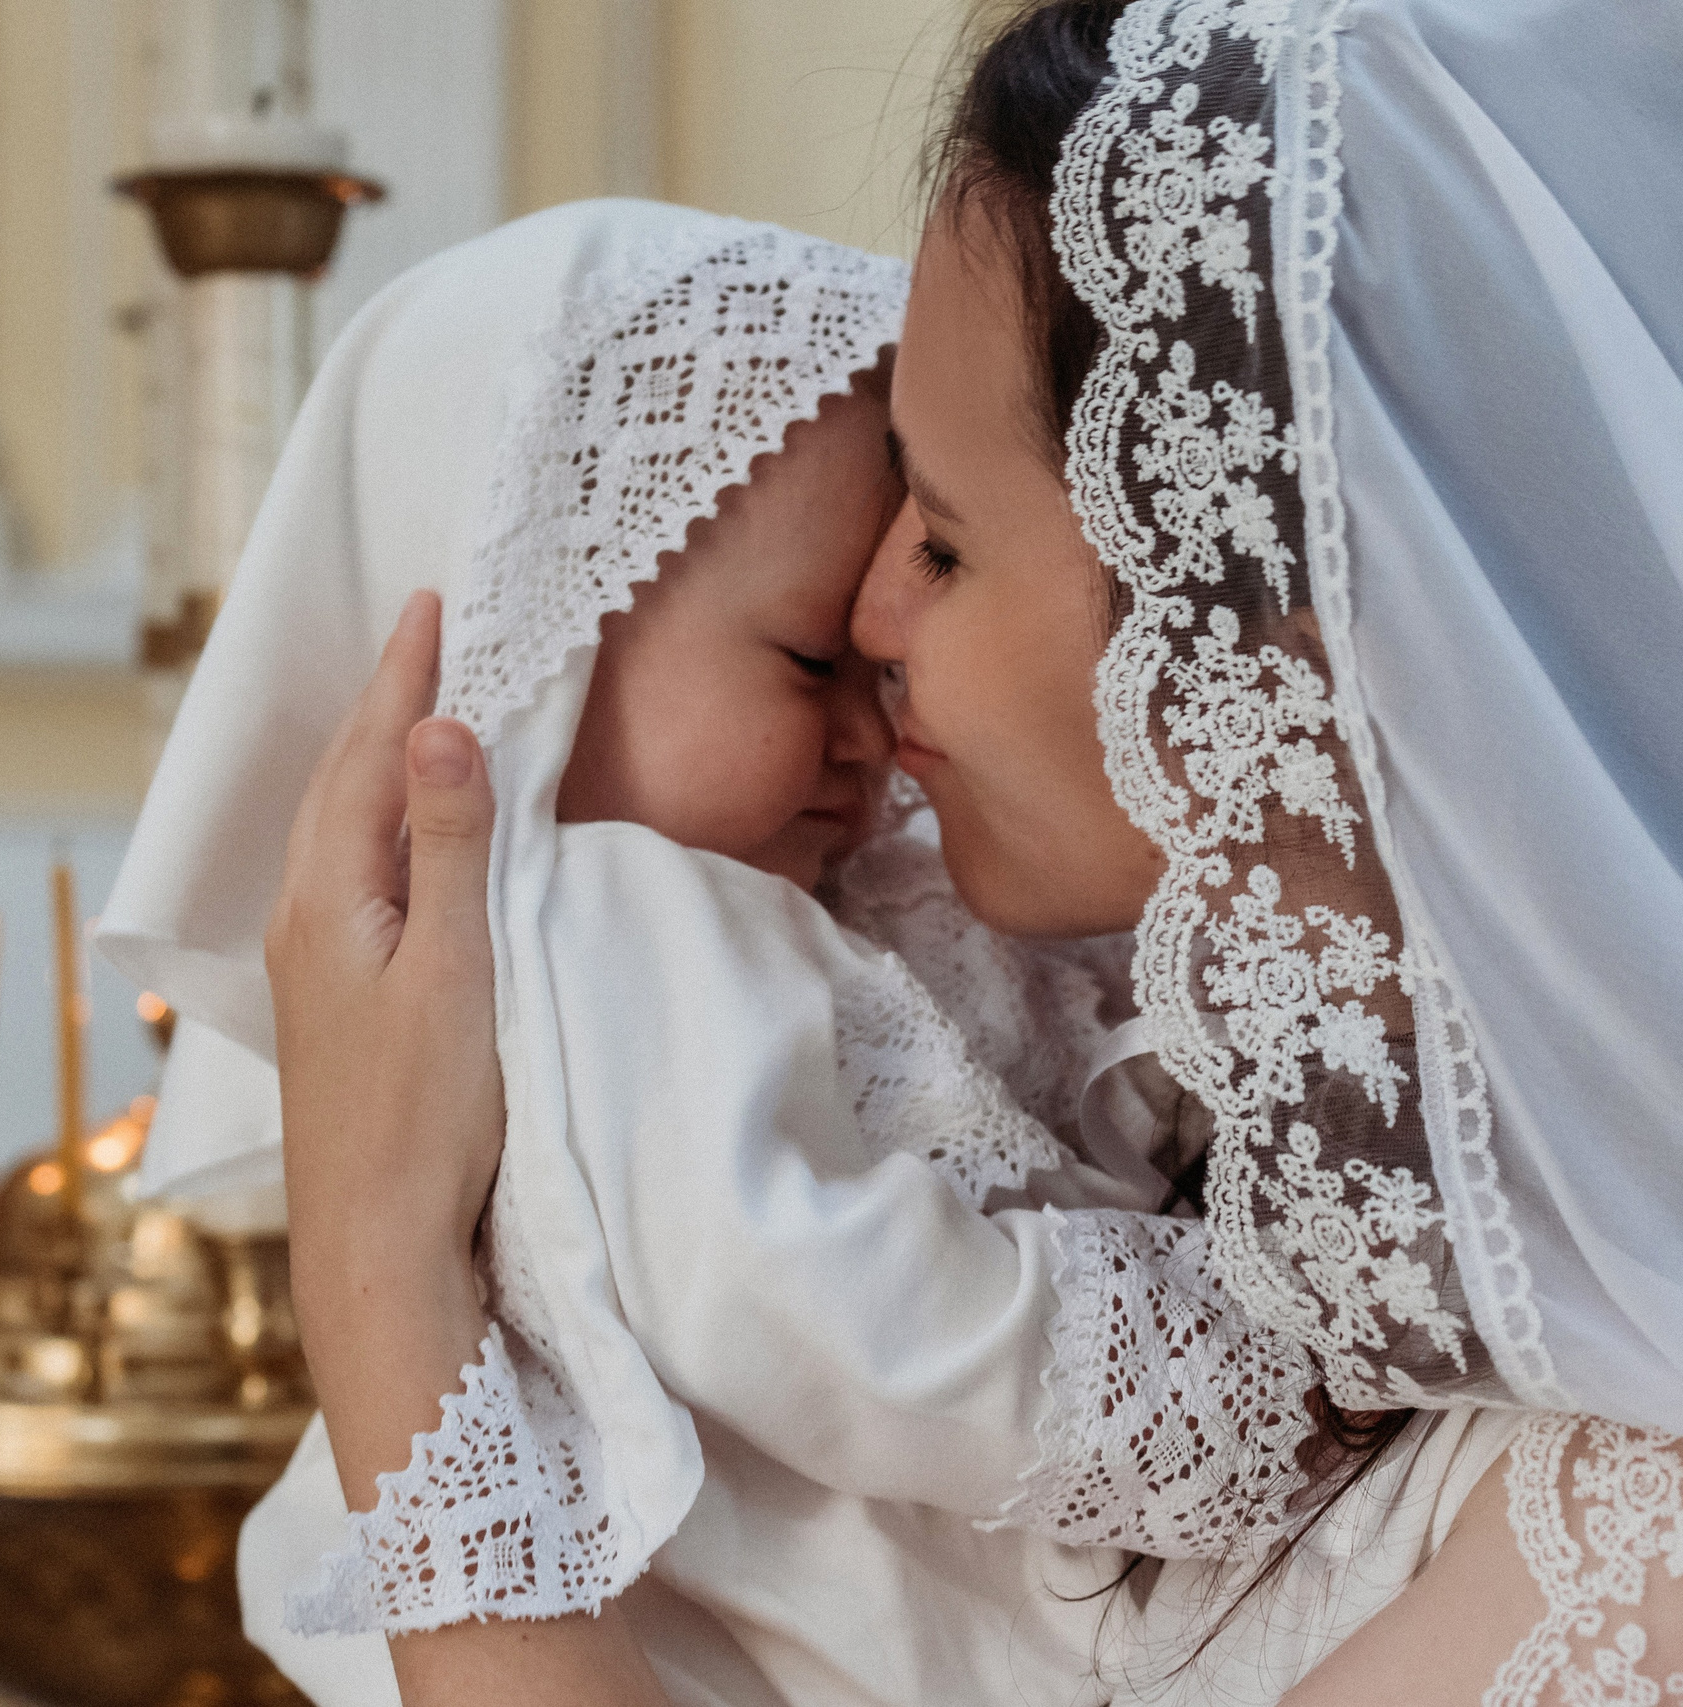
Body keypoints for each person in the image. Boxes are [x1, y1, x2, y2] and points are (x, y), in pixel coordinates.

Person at [252, 0, 1683, 1704]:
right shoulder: (1340, 1224)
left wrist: (377, 1272)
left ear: (1276, 641)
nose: (870, 616)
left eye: (939, 541)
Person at [103, 198, 1203, 1707]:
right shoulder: (618, 932)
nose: (875, 735)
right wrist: (1225, 1374)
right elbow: (838, 1311)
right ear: (542, 654)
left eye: (880, 665)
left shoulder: (811, 898)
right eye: (813, 661)